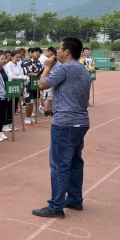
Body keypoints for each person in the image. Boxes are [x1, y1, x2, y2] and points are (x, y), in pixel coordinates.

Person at [32, 37, 91, 219]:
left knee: (59, 165)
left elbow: (42, 84)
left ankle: (56, 206)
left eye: (59, 48)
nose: (55, 52)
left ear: (67, 51)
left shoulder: (64, 68)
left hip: (65, 123)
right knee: (74, 162)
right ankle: (74, 199)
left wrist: (48, 66)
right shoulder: (83, 69)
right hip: (81, 121)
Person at [5, 50, 29, 130]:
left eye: (19, 57)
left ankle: (10, 122)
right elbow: (11, 76)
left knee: (14, 106)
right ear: (12, 57)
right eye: (16, 57)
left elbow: (22, 74)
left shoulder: (19, 65)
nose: (18, 59)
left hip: (17, 87)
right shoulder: (8, 65)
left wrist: (24, 78)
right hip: (10, 87)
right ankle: (6, 124)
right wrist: (21, 77)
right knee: (8, 106)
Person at [23, 47, 43, 125]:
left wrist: (39, 75)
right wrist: (38, 75)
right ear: (32, 53)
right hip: (28, 84)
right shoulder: (26, 62)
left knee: (35, 101)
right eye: (36, 52)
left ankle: (31, 117)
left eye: (39, 53)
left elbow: (41, 71)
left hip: (36, 84)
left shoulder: (38, 62)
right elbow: (28, 73)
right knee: (29, 102)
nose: (38, 54)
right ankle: (27, 117)